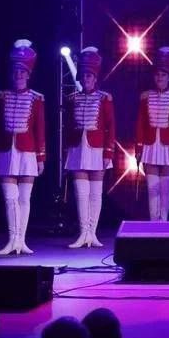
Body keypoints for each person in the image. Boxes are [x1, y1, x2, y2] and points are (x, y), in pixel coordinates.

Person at [0, 39, 45, 255]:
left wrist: (41, 157)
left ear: (28, 74)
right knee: (9, 198)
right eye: (16, 71)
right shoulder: (2, 97)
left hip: (28, 152)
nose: (19, 75)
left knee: (24, 199)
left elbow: (40, 130)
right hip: (5, 151)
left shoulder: (37, 99)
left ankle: (21, 241)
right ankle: (12, 239)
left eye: (22, 72)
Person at [64, 47, 116, 248]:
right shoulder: (72, 99)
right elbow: (68, 126)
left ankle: (92, 233)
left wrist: (108, 151)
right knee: (81, 194)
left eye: (89, 76)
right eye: (84, 75)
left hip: (98, 149)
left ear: (95, 78)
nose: (86, 79)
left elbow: (111, 126)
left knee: (95, 193)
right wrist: (67, 148)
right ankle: (83, 233)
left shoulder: (104, 98)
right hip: (77, 148)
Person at [136, 46, 169, 222]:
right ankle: (153, 222)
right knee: (151, 188)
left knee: (165, 187)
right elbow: (140, 123)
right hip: (149, 145)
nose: (160, 78)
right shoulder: (145, 96)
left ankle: (164, 221)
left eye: (163, 75)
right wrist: (139, 148)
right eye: (157, 75)